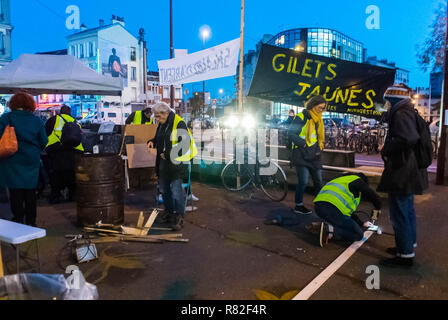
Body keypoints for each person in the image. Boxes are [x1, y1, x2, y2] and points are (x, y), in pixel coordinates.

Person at [377, 87, 429, 267]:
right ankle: (407, 245)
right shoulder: (407, 111)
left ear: (393, 99)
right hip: (408, 169)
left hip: (402, 170)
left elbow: (408, 138)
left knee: (399, 213)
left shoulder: (400, 113)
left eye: (388, 100)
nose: (387, 104)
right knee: (407, 211)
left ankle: (405, 254)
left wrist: (386, 148)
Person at [147, 102, 198, 231]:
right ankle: (169, 212)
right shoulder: (162, 124)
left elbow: (185, 144)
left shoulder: (178, 123)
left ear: (166, 113)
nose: (157, 119)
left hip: (177, 164)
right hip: (164, 163)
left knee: (176, 191)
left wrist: (169, 154)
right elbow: (158, 138)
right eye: (156, 117)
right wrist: (152, 142)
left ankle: (179, 216)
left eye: (158, 116)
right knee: (164, 189)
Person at [0, 92, 48, 226]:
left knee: (15, 192)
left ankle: (18, 220)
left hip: (11, 160)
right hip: (30, 161)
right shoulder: (36, 120)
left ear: (13, 104)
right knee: (30, 191)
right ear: (29, 104)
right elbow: (44, 141)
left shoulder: (6, 118)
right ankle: (31, 222)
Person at [314, 173, 382, 248]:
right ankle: (328, 231)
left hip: (318, 208)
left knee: (343, 222)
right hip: (332, 209)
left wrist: (361, 223)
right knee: (358, 234)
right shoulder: (357, 180)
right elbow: (374, 196)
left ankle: (324, 226)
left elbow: (348, 213)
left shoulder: (340, 180)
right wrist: (377, 208)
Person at [289, 95, 326, 215]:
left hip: (314, 153)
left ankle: (321, 206)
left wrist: (319, 146)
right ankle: (298, 206)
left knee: (319, 181)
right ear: (313, 105)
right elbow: (291, 133)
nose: (321, 110)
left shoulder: (319, 118)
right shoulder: (301, 116)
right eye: (319, 107)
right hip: (301, 153)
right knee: (303, 181)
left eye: (323, 108)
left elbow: (318, 136)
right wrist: (304, 144)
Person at [45, 105, 84, 204]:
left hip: (57, 150)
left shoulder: (54, 120)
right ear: (69, 112)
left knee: (56, 175)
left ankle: (56, 196)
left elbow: (46, 132)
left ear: (60, 111)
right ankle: (72, 195)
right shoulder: (75, 122)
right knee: (71, 174)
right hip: (74, 151)